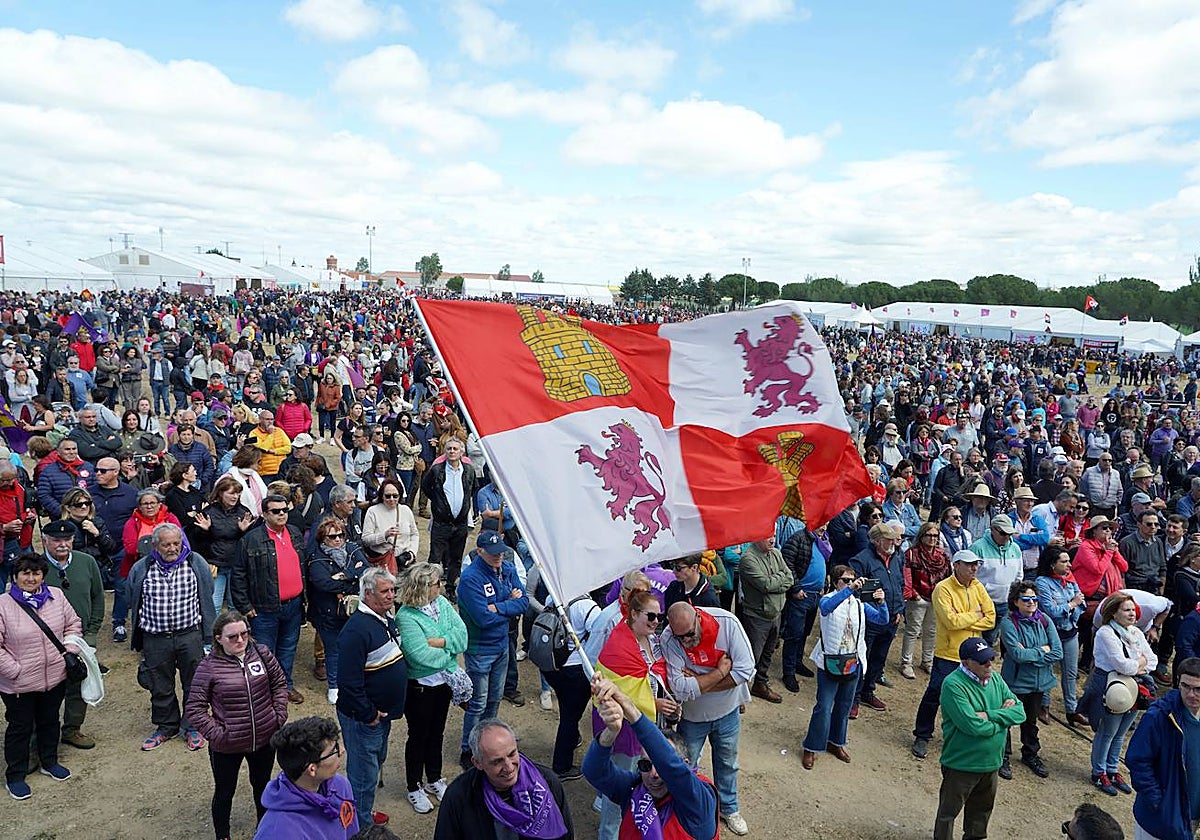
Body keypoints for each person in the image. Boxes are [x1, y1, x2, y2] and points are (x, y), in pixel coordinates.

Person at [185, 610, 290, 840]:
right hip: (227, 746)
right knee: (224, 792)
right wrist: (219, 734)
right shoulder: (209, 666)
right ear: (219, 638)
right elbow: (194, 708)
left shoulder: (262, 653)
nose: (240, 640)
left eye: (244, 633)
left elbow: (279, 684)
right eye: (232, 636)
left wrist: (278, 716)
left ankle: (264, 831)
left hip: (264, 739)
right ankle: (223, 836)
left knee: (262, 787)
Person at [662, 601, 755, 836]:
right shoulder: (669, 638)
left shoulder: (727, 623)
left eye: (689, 634)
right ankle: (686, 809)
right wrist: (721, 672)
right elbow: (680, 689)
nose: (685, 641)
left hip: (728, 710)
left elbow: (745, 670)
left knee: (728, 763)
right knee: (687, 765)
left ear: (697, 617)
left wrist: (699, 683)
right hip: (693, 717)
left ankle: (729, 809)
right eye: (680, 636)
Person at [584, 678, 717, 840]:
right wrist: (611, 732)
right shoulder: (634, 790)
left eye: (661, 767)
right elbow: (594, 772)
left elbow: (670, 764)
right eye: (646, 765)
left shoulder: (698, 802)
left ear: (685, 765)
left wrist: (630, 709)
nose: (654, 774)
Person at [0, 553, 82, 800]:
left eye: (36, 573)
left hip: (54, 676)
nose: (31, 578)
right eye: (25, 573)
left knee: (49, 721)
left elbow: (73, 624)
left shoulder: (57, 596)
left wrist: (69, 651)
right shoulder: (3, 605)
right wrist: (15, 670)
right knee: (20, 728)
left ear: (43, 576)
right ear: (15, 576)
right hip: (19, 684)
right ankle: (15, 775)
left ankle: (49, 761)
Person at [128, 523, 216, 752]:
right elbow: (132, 596)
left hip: (190, 634)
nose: (172, 548)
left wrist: (208, 636)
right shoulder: (142, 567)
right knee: (160, 685)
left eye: (176, 543)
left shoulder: (196, 563)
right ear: (155, 545)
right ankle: (166, 726)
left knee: (194, 684)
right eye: (166, 544)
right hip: (155, 637)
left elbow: (207, 594)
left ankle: (193, 726)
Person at [933, 637, 1026, 840]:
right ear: (966, 662)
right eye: (983, 661)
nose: (989, 664)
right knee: (948, 813)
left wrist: (988, 715)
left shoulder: (996, 679)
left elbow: (1020, 712)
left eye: (990, 658)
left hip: (991, 764)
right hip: (961, 764)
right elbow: (972, 726)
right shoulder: (953, 685)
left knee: (981, 814)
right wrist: (1003, 719)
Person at [336, 566, 407, 826]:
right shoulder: (356, 631)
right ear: (368, 594)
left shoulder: (383, 618)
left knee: (373, 766)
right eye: (385, 591)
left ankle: (363, 815)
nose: (391, 595)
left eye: (392, 590)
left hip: (379, 717)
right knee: (362, 778)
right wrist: (368, 714)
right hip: (363, 720)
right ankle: (358, 828)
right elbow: (348, 682)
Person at [395, 561, 467, 815]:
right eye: (437, 583)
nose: (442, 587)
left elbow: (462, 636)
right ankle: (414, 786)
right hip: (420, 689)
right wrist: (451, 651)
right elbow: (419, 656)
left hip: (443, 685)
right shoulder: (406, 616)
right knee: (418, 736)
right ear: (424, 587)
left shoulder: (443, 604)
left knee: (437, 733)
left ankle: (434, 778)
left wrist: (439, 642)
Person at [912, 550, 996, 761]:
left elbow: (991, 618)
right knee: (935, 693)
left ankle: (968, 734)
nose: (974, 568)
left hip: (974, 653)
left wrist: (965, 619)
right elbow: (951, 622)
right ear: (956, 565)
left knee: (973, 696)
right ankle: (922, 735)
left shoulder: (978, 586)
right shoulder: (943, 589)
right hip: (949, 653)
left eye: (976, 564)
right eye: (969, 564)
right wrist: (977, 615)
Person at [801, 564, 886, 769]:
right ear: (835, 582)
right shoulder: (828, 599)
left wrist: (881, 602)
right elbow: (827, 608)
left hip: (853, 661)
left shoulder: (858, 604)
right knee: (823, 707)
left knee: (844, 706)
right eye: (845, 580)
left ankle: (836, 742)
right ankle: (811, 746)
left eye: (852, 580)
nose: (850, 584)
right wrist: (850, 590)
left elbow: (882, 620)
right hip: (830, 661)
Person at [456, 530, 529, 771]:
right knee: (478, 702)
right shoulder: (470, 579)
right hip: (480, 649)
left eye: (501, 552)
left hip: (501, 645)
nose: (499, 557)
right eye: (493, 553)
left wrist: (498, 606)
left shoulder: (506, 568)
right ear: (480, 552)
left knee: (495, 698)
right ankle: (469, 750)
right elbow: (482, 618)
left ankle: (488, 744)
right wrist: (509, 602)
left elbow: (523, 602)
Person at [434, 717, 574, 840]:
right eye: (497, 761)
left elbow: (566, 835)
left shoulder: (547, 783)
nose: (509, 767)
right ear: (477, 763)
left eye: (512, 754)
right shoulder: (459, 797)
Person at [1079, 592, 1157, 796]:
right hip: (1112, 686)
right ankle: (1099, 772)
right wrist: (1141, 662)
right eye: (1126, 610)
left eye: (1133, 610)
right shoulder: (1105, 633)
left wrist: (1138, 665)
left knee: (1121, 732)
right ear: (1114, 613)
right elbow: (1123, 665)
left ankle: (1112, 769)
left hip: (1135, 687)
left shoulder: (1136, 632)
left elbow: (1153, 660)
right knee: (1108, 731)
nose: (1132, 614)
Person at [231, 493, 306, 703]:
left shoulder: (294, 533)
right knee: (264, 652)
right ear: (265, 514)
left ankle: (285, 686)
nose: (281, 514)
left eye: (284, 510)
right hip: (263, 608)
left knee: (288, 648)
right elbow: (238, 574)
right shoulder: (250, 540)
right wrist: (245, 606)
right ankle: (265, 691)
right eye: (275, 511)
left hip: (293, 604)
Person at [39, 519, 104, 751]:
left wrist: (92, 632)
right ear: (44, 541)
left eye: (67, 539)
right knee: (46, 691)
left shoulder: (87, 562)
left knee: (78, 684)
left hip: (80, 638)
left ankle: (72, 729)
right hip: (46, 643)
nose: (62, 544)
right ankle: (40, 739)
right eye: (56, 540)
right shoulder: (35, 567)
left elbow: (98, 597)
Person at [1127, 656, 1200, 840]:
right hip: (1159, 820)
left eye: (1198, 689)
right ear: (1178, 683)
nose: (1191, 694)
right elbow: (1137, 760)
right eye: (1186, 686)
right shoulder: (1159, 716)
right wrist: (1159, 802)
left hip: (1191, 818)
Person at [254, 716, 359, 839]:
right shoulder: (277, 832)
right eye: (333, 751)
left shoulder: (341, 786)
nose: (342, 751)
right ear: (312, 769)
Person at [998, 580, 1062, 780]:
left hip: (1039, 683)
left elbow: (1057, 652)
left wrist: (1031, 654)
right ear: (1015, 601)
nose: (1031, 603)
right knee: (1007, 720)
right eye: (1026, 599)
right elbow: (1017, 655)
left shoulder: (1044, 620)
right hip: (1015, 682)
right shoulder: (1008, 623)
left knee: (1030, 721)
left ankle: (1030, 754)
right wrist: (1042, 650)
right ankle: (1002, 756)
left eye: (1034, 599)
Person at [307, 516, 370, 706]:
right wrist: (352, 580)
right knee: (333, 650)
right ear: (322, 538)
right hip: (328, 612)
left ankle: (354, 681)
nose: (338, 540)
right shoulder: (317, 558)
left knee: (355, 647)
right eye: (332, 536)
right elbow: (323, 583)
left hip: (353, 610)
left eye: (341, 535)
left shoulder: (352, 548)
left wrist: (344, 575)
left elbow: (366, 570)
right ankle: (334, 686)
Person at [850, 521, 906, 712]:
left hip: (891, 619)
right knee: (862, 659)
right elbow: (858, 593)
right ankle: (854, 698)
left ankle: (868, 691)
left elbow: (900, 584)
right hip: (871, 620)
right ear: (876, 541)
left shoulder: (896, 557)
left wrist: (899, 610)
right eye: (888, 539)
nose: (893, 542)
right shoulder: (861, 560)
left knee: (878, 659)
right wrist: (874, 613)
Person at [1035, 546, 1089, 727]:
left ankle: (1071, 710)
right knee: (1047, 670)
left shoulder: (1070, 580)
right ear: (1052, 564)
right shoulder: (1042, 582)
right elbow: (1050, 611)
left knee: (1070, 673)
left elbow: (1082, 605)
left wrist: (1069, 608)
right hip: (1050, 634)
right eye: (1064, 561)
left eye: (1068, 561)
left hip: (1070, 631)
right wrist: (1072, 604)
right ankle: (1044, 705)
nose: (1069, 565)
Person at [738, 536, 792, 704]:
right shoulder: (748, 559)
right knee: (751, 657)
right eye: (768, 536)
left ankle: (760, 684)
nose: (773, 540)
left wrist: (776, 581)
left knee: (768, 653)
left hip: (776, 613)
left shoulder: (776, 553)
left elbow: (790, 578)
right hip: (756, 616)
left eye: (774, 535)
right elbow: (765, 585)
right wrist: (780, 578)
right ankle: (738, 695)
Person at [422, 436, 477, 590]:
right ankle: (430, 588)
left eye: (455, 449)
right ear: (444, 451)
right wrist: (438, 503)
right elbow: (426, 487)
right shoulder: (436, 470)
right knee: (435, 557)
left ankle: (451, 587)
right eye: (449, 449)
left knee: (456, 557)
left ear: (461, 452)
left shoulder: (469, 470)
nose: (452, 451)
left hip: (460, 524)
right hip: (441, 523)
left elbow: (473, 489)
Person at [194, 476, 255, 613]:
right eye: (231, 493)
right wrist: (205, 530)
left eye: (237, 493)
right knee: (214, 605)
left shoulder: (243, 512)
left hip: (237, 564)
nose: (235, 496)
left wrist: (244, 531)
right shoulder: (209, 512)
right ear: (221, 493)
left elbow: (251, 541)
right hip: (216, 564)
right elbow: (198, 541)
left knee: (235, 605)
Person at [902, 521, 951, 680]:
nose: (932, 538)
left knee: (931, 631)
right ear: (922, 536)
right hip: (918, 598)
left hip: (936, 598)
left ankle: (927, 660)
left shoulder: (942, 555)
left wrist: (943, 597)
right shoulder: (911, 553)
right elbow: (907, 577)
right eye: (929, 535)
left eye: (935, 535)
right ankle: (906, 662)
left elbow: (947, 577)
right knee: (913, 630)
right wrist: (914, 595)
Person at [971, 515, 1023, 646]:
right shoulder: (977, 547)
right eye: (1003, 533)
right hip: (981, 604)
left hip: (1005, 603)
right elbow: (970, 577)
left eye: (1009, 534)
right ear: (993, 529)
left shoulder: (1015, 549)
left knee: (993, 638)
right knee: (978, 639)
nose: (1006, 537)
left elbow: (1019, 576)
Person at [360, 479, 419, 575]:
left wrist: (411, 553)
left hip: (405, 561)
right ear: (382, 496)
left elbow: (414, 534)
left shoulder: (406, 510)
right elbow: (365, 540)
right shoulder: (372, 511)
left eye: (395, 496)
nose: (391, 499)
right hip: (384, 562)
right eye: (388, 496)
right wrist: (384, 535)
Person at [246, 409, 292, 483]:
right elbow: (263, 448)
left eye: (272, 419)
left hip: (281, 470)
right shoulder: (253, 433)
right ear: (260, 420)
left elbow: (288, 448)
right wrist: (271, 435)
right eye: (267, 419)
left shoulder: (279, 431)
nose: (270, 422)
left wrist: (274, 451)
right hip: (265, 473)